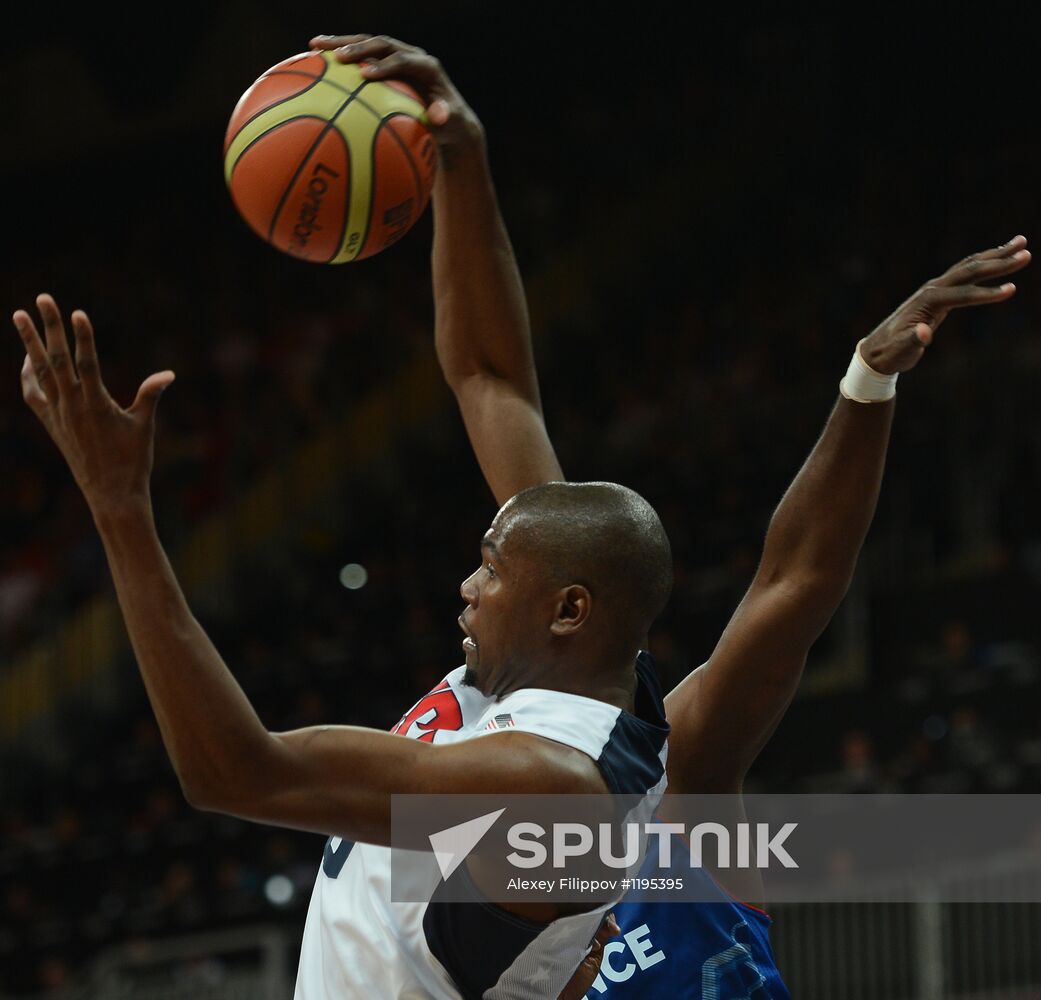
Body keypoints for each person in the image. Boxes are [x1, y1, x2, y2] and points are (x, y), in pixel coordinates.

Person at [308, 32, 1033, 999]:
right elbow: (490, 382)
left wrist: (865, 384)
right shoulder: (501, 744)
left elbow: (796, 583)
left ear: (575, 614)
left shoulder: (672, 776)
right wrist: (459, 162)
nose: (474, 584)